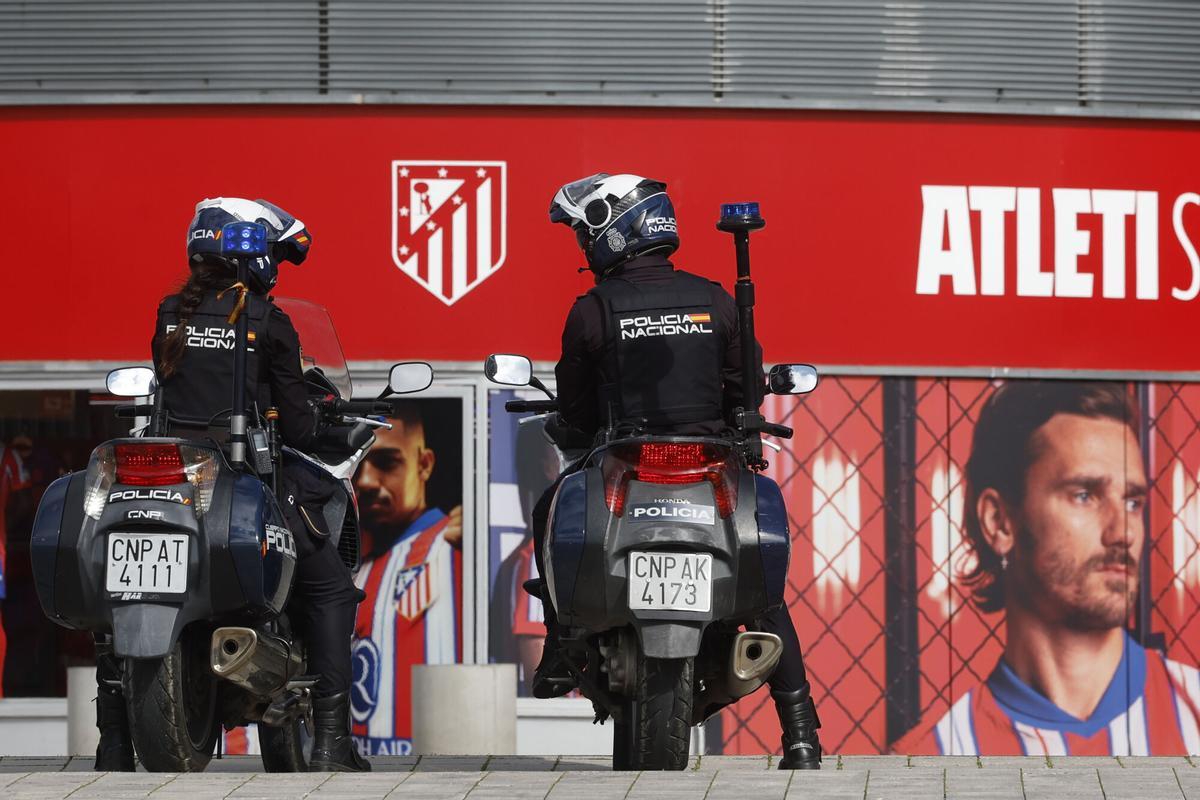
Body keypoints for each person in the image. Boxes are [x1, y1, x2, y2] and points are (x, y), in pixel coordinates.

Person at [528, 173, 822, 769]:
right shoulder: (717, 299)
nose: (584, 246)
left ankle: (560, 643)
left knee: (548, 509)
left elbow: (577, 410)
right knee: (764, 600)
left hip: (624, 461)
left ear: (612, 230)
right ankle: (801, 737)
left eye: (586, 232)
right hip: (710, 463)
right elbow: (747, 392)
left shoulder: (590, 312)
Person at [93, 197, 369, 772]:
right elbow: (296, 424)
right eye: (272, 253)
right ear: (252, 252)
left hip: (174, 474)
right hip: (242, 476)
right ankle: (331, 744)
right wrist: (319, 416)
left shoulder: (171, 312)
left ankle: (113, 742)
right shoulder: (268, 321)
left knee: (117, 591)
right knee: (329, 587)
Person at [894, 381, 1200, 756]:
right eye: (1085, 495)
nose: (1123, 532)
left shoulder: (1194, 714)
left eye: (1133, 502)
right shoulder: (933, 761)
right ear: (1000, 522)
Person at [349, 403, 462, 756]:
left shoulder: (456, 544)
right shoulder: (357, 560)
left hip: (428, 770)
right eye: (359, 463)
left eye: (386, 463)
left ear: (424, 464)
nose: (366, 480)